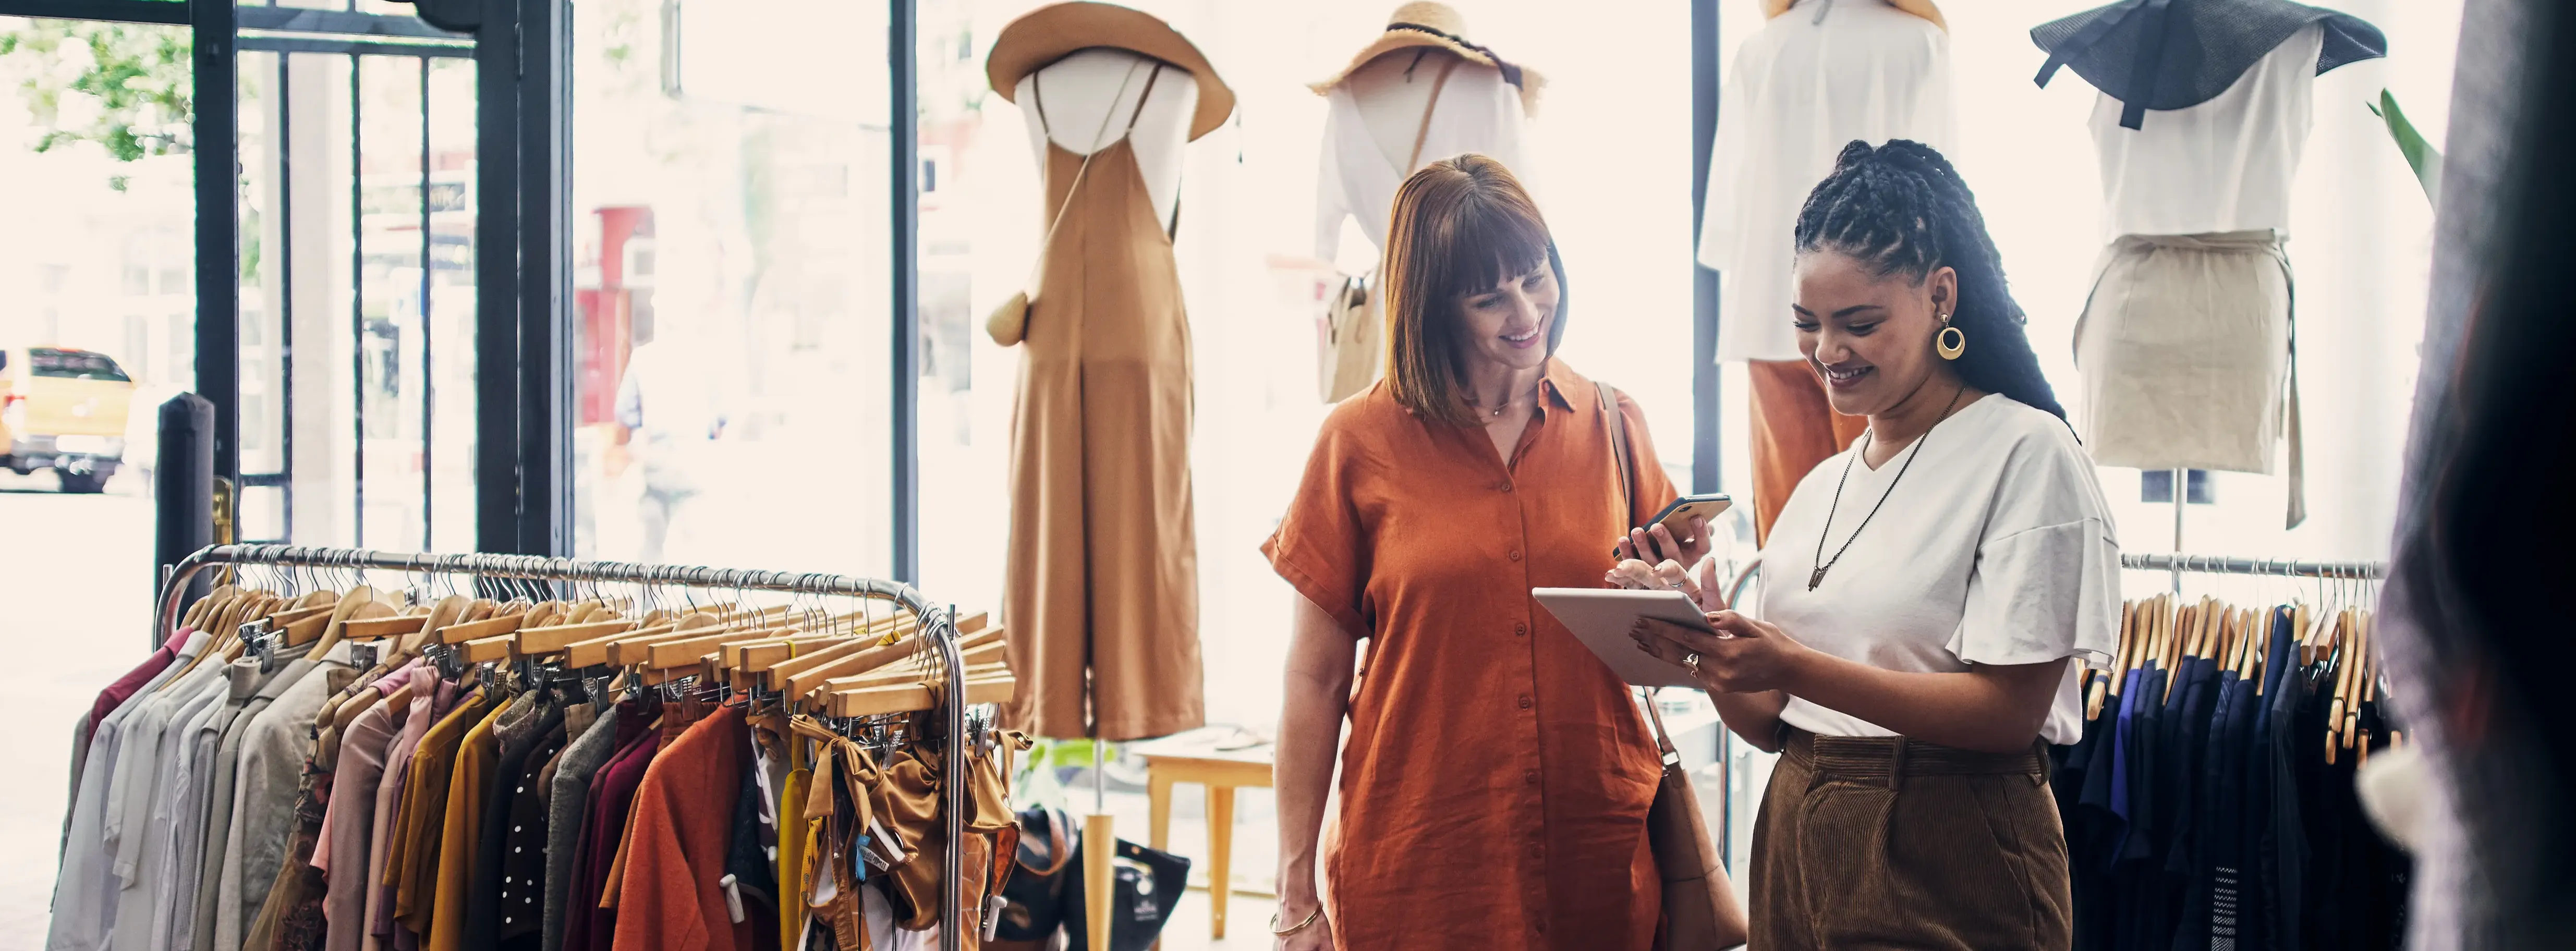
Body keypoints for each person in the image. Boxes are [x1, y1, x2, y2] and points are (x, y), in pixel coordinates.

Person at [1625, 139, 2120, 949]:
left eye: (1859, 324)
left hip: (1948, 844)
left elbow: (2008, 714)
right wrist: (1699, 640)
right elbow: (1773, 721)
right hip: (1794, 838)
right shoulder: (1821, 486)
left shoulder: (2026, 454)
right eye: (1807, 325)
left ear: (1941, 297)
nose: (1827, 352)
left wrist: (1790, 662)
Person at [1263, 154, 1726, 951]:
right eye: (1489, 296)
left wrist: (1682, 593)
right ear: (1431, 307)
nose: (1526, 311)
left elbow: (1679, 654)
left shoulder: (1614, 424)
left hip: (1601, 852)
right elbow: (1314, 679)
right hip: (1422, 862)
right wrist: (1294, 893)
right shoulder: (1355, 442)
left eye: (1536, 276)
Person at [612, 333, 728, 563]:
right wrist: (707, 432)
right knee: (696, 551)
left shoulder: (644, 359)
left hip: (656, 464)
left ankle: (649, 598)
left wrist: (644, 432)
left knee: (651, 548)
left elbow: (624, 411)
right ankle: (696, 597)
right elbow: (723, 413)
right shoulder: (706, 356)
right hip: (693, 466)